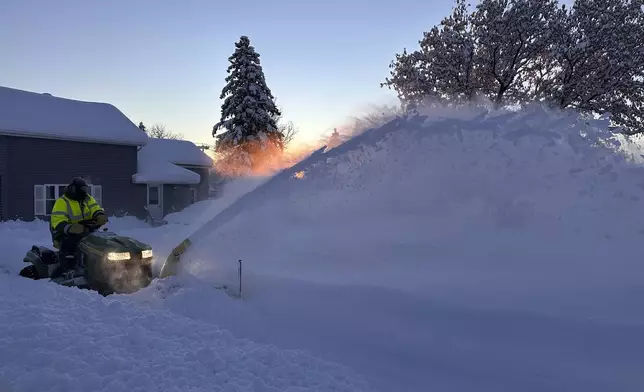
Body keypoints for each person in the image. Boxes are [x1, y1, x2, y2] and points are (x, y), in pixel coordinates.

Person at [50, 177, 108, 265]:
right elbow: (57, 220)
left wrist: (100, 215)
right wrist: (70, 228)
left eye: (85, 189)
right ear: (74, 189)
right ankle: (67, 268)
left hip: (86, 229)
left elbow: (95, 208)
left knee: (101, 242)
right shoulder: (63, 201)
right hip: (66, 232)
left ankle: (101, 264)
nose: (84, 191)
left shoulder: (87, 198)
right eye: (82, 189)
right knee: (71, 243)